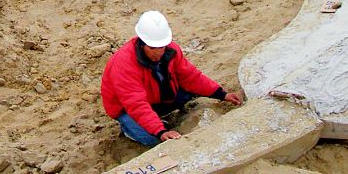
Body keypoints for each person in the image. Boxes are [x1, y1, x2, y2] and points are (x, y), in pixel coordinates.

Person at [101, 10, 243, 146]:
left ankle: (157, 116)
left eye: (161, 47)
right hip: (127, 108)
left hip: (156, 95)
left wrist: (222, 94)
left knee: (190, 91)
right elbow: (135, 103)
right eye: (152, 48)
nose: (158, 52)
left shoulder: (171, 50)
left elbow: (191, 76)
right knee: (152, 139)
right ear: (142, 43)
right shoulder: (124, 64)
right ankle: (129, 129)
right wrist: (160, 131)